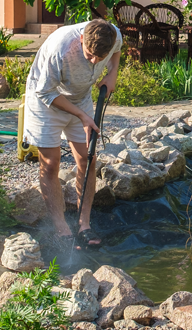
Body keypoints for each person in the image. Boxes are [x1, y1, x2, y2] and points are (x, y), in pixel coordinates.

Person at [22, 18, 122, 246]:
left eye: (100, 58)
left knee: (88, 159)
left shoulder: (112, 34)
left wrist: (113, 72)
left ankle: (83, 224)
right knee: (51, 163)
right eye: (89, 55)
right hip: (46, 100)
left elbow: (116, 51)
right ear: (80, 40)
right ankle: (61, 228)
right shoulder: (60, 48)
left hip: (80, 98)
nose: (95, 61)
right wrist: (81, 116)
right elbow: (45, 92)